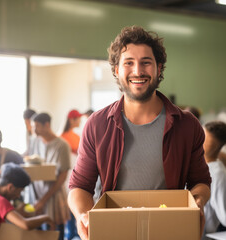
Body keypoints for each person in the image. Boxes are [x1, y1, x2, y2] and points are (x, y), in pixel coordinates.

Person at [68, 25, 211, 240]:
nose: (137, 71)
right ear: (117, 70)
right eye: (128, 63)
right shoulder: (97, 125)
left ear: (159, 68)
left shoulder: (187, 125)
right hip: (115, 231)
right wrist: (83, 216)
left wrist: (196, 203)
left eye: (146, 62)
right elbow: (80, 186)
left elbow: (200, 181)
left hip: (170, 231)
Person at [0, 163, 55, 240]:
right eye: (19, 191)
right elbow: (25, 225)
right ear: (10, 187)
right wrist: (46, 218)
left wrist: (19, 212)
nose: (18, 196)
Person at [28, 113, 71, 240]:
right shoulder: (35, 141)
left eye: (36, 126)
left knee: (56, 232)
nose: (34, 130)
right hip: (36, 194)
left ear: (46, 125)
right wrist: (37, 200)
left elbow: (62, 176)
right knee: (39, 233)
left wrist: (43, 200)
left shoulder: (62, 145)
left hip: (54, 195)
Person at [61, 109, 82, 240]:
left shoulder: (73, 136)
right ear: (72, 120)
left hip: (73, 176)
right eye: (78, 118)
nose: (80, 121)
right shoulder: (66, 138)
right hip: (68, 176)